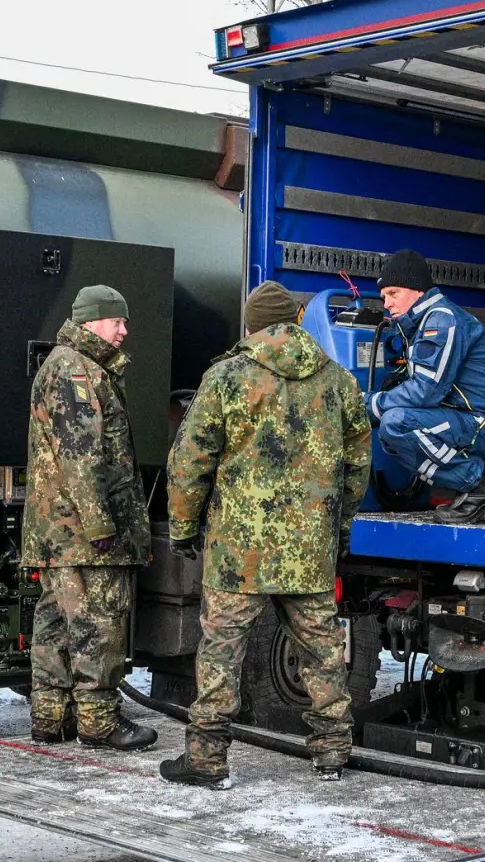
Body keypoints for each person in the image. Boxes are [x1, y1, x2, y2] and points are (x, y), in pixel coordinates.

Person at [159, 281, 371, 789]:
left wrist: (185, 527)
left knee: (220, 654)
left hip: (239, 552)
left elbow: (190, 461)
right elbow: (357, 462)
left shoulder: (225, 377)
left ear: (251, 325)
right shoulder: (338, 381)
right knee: (321, 650)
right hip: (309, 550)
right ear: (296, 322)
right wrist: (339, 529)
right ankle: (332, 754)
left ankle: (207, 760)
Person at [21, 285, 157, 751]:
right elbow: (81, 457)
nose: (124, 330)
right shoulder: (76, 370)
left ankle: (50, 718)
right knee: (98, 623)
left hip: (63, 533)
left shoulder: (69, 365)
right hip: (83, 534)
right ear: (90, 322)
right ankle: (98, 723)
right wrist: (101, 525)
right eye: (116, 321)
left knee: (57, 622)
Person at [368, 249, 485, 524]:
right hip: (481, 422)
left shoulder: (441, 319)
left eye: (393, 293)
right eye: (384, 297)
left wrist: (370, 404)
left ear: (418, 289)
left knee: (396, 423)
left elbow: (425, 391)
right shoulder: (424, 322)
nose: (387, 304)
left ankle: (478, 486)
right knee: (390, 429)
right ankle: (473, 485)